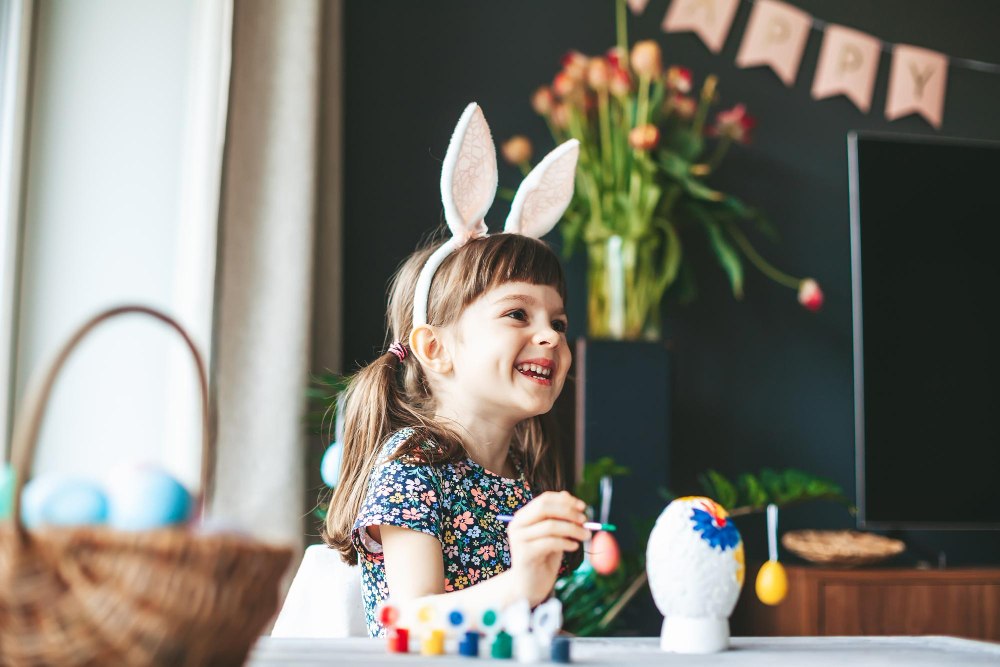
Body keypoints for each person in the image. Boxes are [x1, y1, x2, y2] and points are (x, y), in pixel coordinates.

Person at [323, 103, 591, 637]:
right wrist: (524, 583)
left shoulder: (521, 478)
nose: (550, 336)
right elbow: (409, 621)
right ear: (436, 349)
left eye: (558, 322)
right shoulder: (413, 468)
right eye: (518, 313)